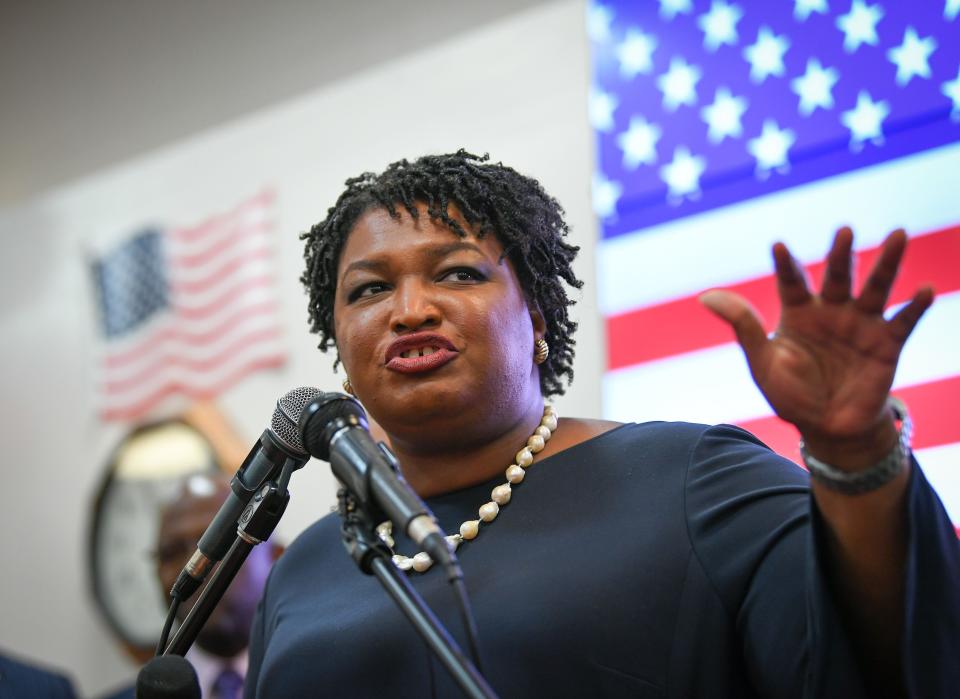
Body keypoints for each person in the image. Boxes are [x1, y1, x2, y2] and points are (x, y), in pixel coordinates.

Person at [245, 151, 959, 698]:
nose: (408, 310)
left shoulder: (695, 479)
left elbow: (892, 659)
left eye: (458, 273)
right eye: (370, 289)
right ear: (339, 347)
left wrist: (855, 448)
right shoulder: (305, 570)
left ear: (539, 320)